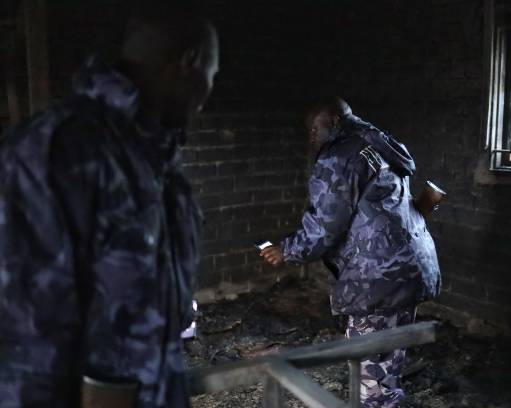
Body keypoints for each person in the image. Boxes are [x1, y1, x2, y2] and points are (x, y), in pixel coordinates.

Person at [0, 2, 218, 407]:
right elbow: (23, 345)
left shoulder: (154, 157)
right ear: (191, 62)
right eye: (212, 76)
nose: (206, 96)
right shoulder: (58, 151)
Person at [261, 97, 441, 408]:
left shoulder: (340, 157)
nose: (311, 139)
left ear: (332, 122)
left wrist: (286, 250)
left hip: (376, 276)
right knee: (391, 360)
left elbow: (324, 226)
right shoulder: (379, 141)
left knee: (368, 372)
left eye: (313, 130)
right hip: (411, 267)